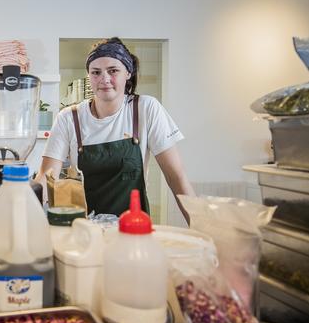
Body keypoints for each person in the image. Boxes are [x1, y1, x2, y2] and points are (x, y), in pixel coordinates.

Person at [36, 37, 194, 222]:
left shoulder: (145, 108)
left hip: (133, 229)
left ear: (128, 72)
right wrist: (24, 212)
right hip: (85, 231)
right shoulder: (69, 118)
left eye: (113, 71)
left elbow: (176, 175)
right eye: (96, 72)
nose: (104, 79)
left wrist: (201, 227)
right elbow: (47, 178)